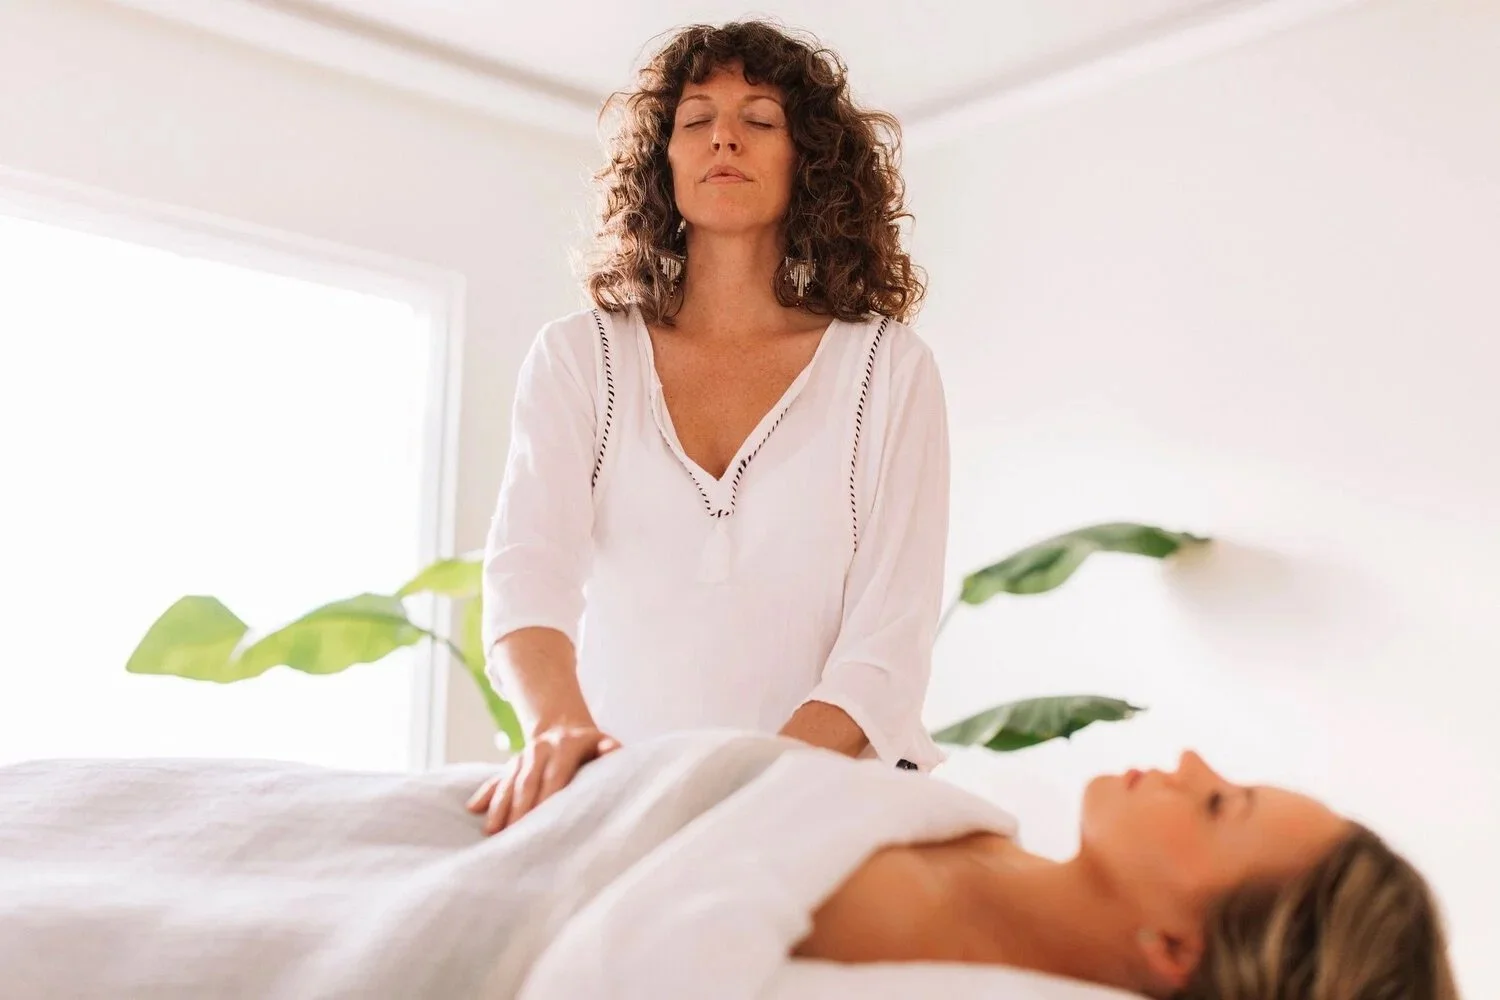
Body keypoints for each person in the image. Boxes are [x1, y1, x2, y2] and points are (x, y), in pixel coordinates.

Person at [469, 20, 950, 834]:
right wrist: (558, 730)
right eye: (697, 120)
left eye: (761, 119)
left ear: (809, 164)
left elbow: (887, 646)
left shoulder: (888, 370)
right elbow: (527, 575)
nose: (725, 135)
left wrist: (742, 798)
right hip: (617, 805)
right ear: (665, 160)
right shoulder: (578, 358)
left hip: (819, 808)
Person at [792, 749, 1460, 1000]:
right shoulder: (986, 838)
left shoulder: (895, 940)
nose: (1192, 762)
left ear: (1177, 946)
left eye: (1219, 805)